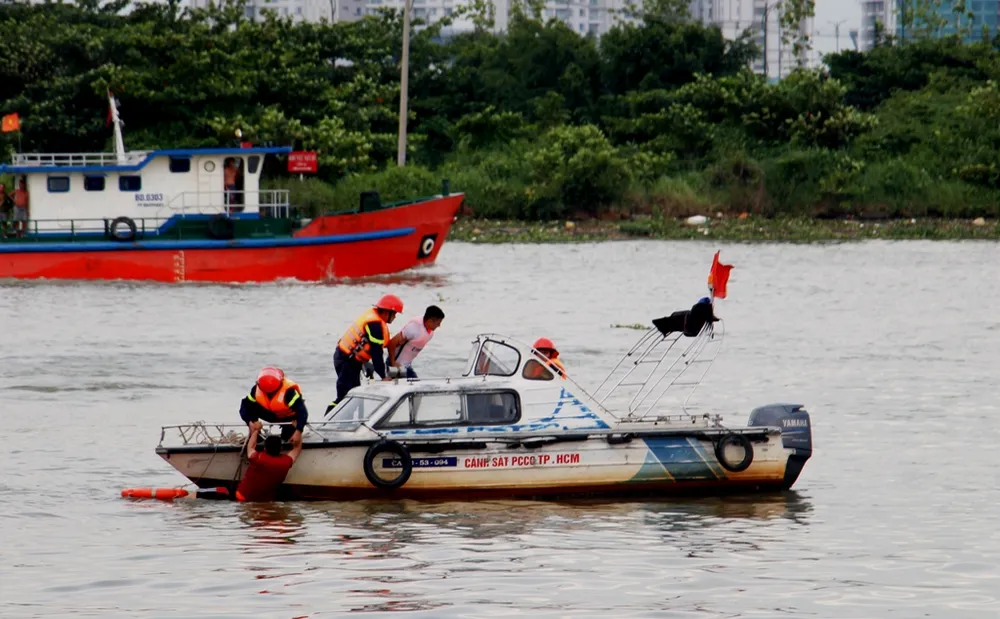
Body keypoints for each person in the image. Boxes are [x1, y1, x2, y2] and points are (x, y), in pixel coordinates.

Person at [328, 294, 403, 413]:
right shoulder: (375, 325)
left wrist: (366, 363)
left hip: (350, 359)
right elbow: (376, 353)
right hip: (347, 360)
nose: (394, 317)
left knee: (352, 397)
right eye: (394, 314)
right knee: (346, 397)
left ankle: (346, 424)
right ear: (386, 312)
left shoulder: (374, 318)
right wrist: (384, 376)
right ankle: (327, 423)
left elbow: (366, 346)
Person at [196, 424, 302, 502]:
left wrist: (256, 431)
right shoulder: (286, 462)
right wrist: (298, 431)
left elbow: (250, 446)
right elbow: (297, 448)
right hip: (261, 501)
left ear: (265, 448)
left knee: (217, 491)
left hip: (240, 497)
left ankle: (184, 495)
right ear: (281, 448)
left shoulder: (259, 457)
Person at [240, 366, 308, 445]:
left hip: (287, 418)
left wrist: (299, 431)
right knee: (249, 408)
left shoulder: (289, 392)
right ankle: (256, 436)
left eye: (271, 393)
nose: (269, 395)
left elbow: (303, 412)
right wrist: (250, 421)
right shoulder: (256, 389)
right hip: (268, 413)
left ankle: (289, 435)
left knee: (289, 439)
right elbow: (244, 406)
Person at [389, 305, 445, 379]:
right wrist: (393, 363)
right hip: (396, 365)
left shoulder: (430, 330)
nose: (439, 325)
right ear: (430, 321)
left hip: (406, 365)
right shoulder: (413, 328)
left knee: (416, 385)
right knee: (398, 387)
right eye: (438, 323)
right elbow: (391, 343)